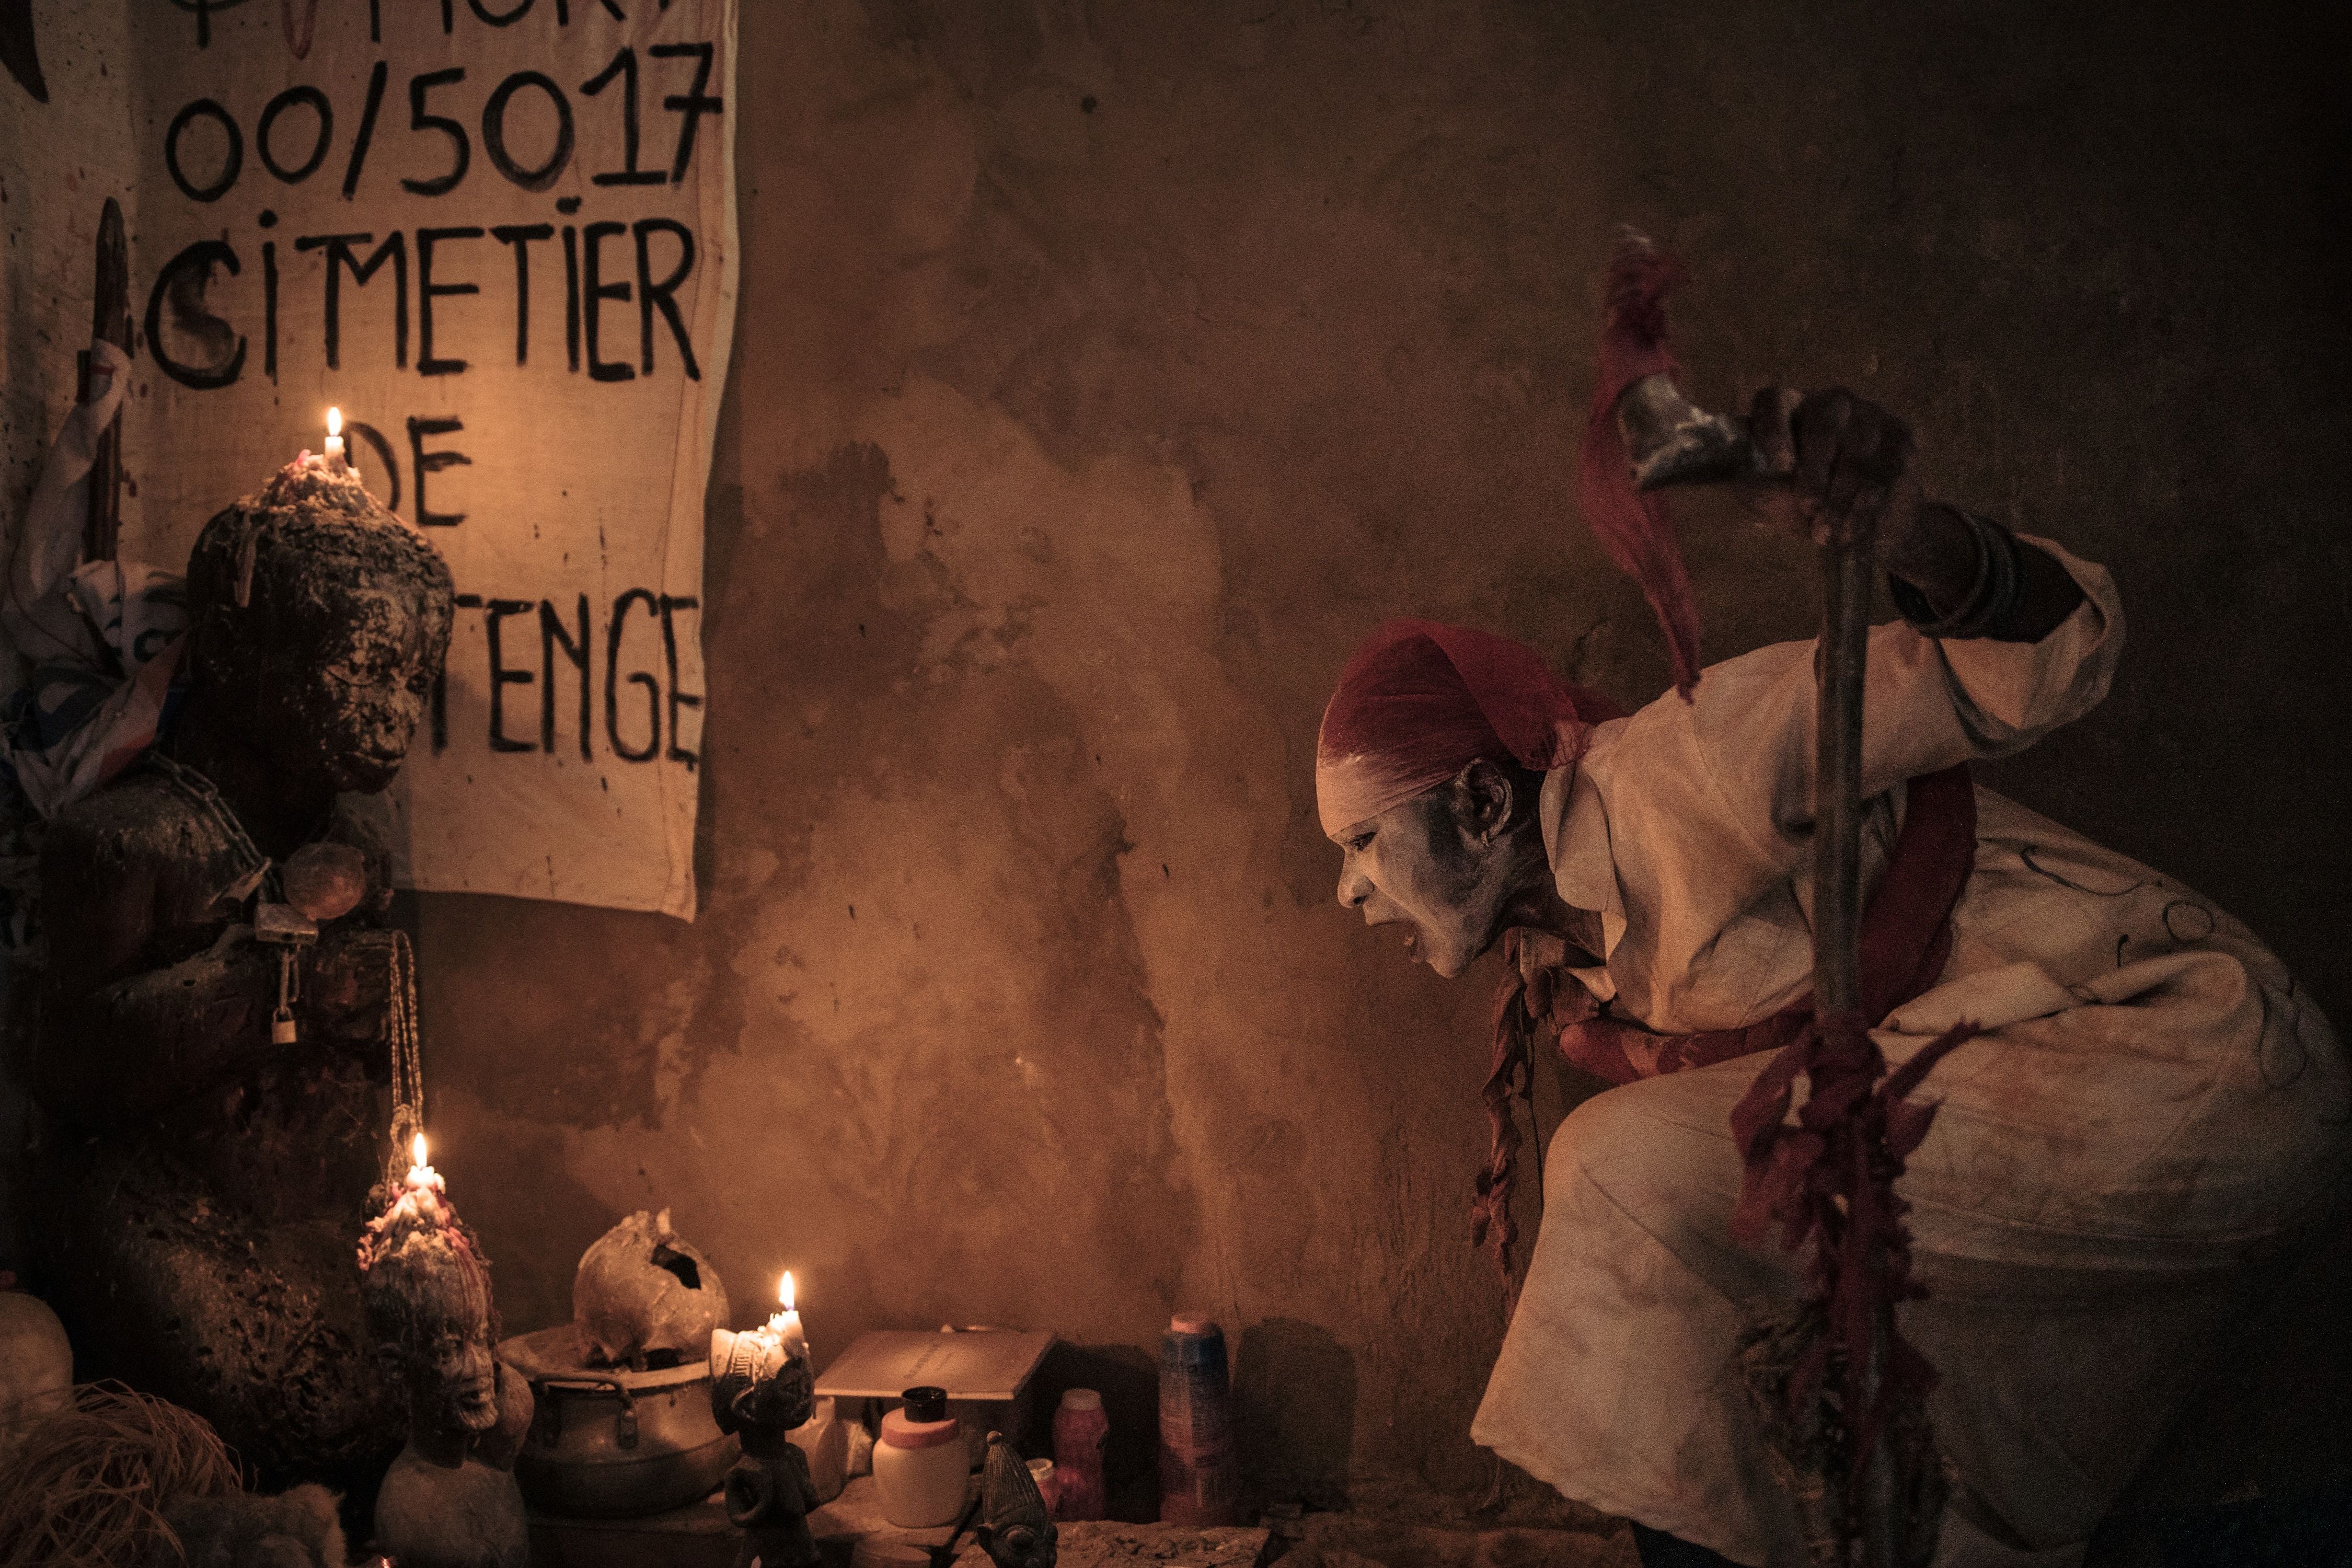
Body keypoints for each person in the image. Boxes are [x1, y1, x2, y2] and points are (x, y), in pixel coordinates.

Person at [1315, 388, 2348, 1568]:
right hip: (2066, 1097)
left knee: (1616, 1171)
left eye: (1360, 845)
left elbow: (2045, 657)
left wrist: (1915, 538)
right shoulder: (1577, 965)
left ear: (1486, 802)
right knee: (1774, 1321)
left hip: (2190, 1059)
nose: (1349, 893)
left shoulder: (1682, 769)